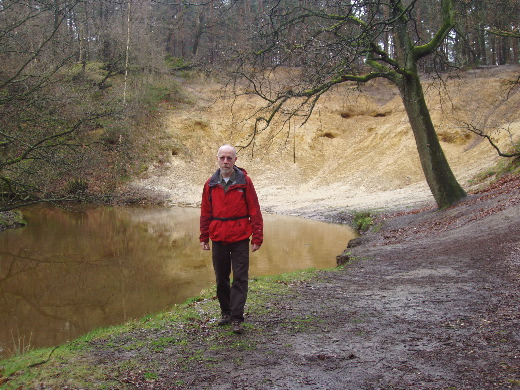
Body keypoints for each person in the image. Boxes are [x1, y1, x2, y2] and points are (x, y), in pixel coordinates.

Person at [199, 144, 263, 334]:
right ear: (217, 159)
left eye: (229, 158)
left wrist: (257, 236)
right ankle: (225, 313)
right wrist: (204, 236)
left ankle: (237, 317)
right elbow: (205, 212)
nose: (225, 161)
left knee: (240, 278)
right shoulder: (210, 184)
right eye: (222, 158)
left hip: (240, 236)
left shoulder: (245, 182)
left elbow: (255, 210)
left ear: (235, 160)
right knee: (221, 279)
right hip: (218, 236)